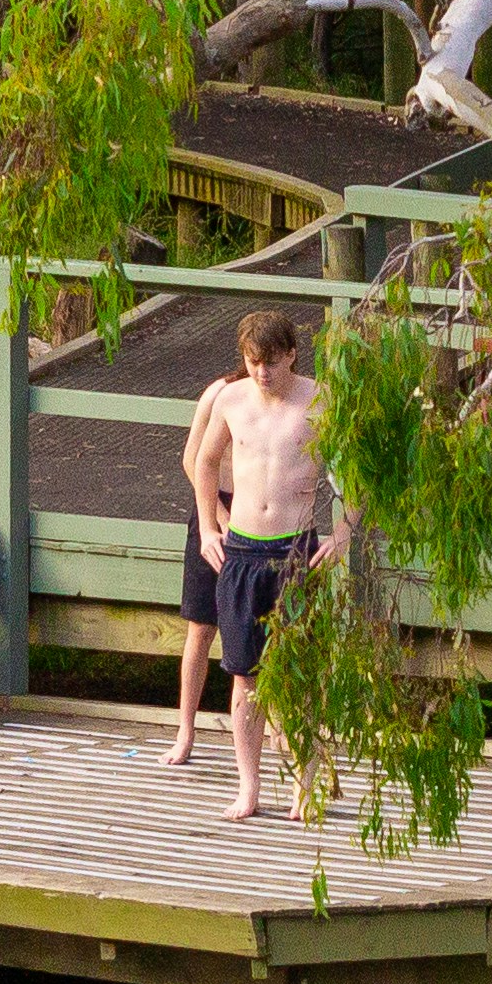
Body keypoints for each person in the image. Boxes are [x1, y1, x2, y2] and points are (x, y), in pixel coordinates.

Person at [192, 309, 339, 823]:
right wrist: (210, 526)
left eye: (271, 363)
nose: (261, 373)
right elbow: (204, 462)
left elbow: (356, 472)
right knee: (243, 677)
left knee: (298, 675)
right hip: (243, 551)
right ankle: (248, 788)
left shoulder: (319, 399)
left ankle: (306, 783)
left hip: (295, 551)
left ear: (292, 355)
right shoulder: (230, 399)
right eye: (253, 362)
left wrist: (344, 533)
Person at [160, 359, 243, 770]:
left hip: (258, 510)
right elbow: (192, 460)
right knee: (200, 626)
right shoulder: (220, 394)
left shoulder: (284, 400)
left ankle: (266, 734)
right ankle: (185, 732)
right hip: (214, 505)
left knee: (256, 632)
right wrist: (218, 519)